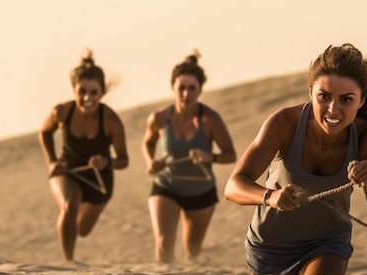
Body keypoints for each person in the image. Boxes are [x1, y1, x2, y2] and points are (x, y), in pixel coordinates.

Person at [224, 43, 367, 275]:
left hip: (327, 245)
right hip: (267, 249)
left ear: (361, 101)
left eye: (346, 100)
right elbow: (233, 186)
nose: (333, 109)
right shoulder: (284, 124)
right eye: (324, 96)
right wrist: (270, 197)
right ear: (311, 92)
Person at [142, 50, 236, 263]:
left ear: (200, 90)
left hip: (201, 190)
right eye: (181, 88)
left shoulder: (210, 119)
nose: (186, 94)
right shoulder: (158, 118)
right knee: (164, 245)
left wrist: (208, 156)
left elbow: (230, 155)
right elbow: (147, 142)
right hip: (166, 186)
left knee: (192, 250)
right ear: (172, 88)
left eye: (191, 88)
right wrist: (150, 161)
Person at [39, 49, 129, 261]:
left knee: (81, 230)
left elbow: (124, 160)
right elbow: (44, 132)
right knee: (70, 204)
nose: (87, 98)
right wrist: (51, 161)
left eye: (93, 92)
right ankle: (68, 262)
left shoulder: (111, 121)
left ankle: (70, 240)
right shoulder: (61, 112)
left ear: (102, 92)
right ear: (74, 90)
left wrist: (105, 161)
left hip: (100, 182)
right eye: (82, 92)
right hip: (67, 170)